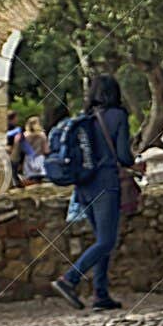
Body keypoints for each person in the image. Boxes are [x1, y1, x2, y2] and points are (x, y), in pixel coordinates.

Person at [51, 75, 134, 312]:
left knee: (101, 240)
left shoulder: (85, 119)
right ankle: (69, 279)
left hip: (84, 186)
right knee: (107, 240)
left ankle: (100, 293)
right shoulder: (118, 116)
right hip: (106, 185)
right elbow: (123, 156)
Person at [20, 116, 48, 183]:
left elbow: (22, 149)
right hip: (39, 159)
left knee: (30, 181)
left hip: (28, 160)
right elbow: (46, 150)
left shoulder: (25, 135)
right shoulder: (42, 135)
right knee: (39, 180)